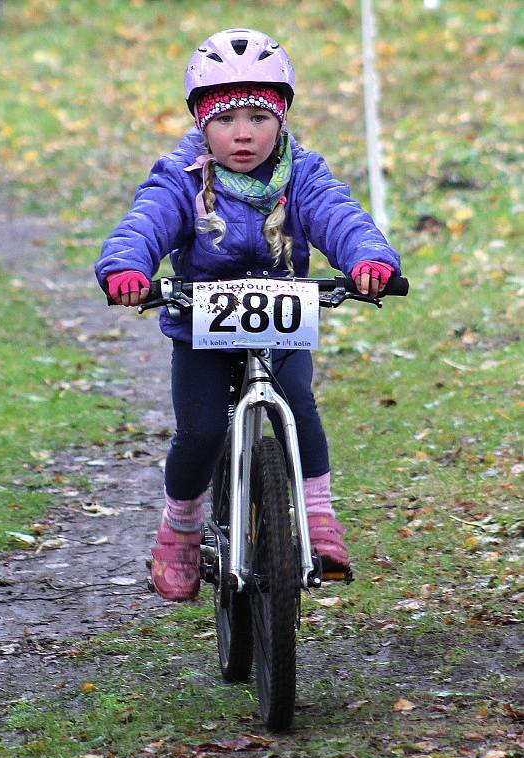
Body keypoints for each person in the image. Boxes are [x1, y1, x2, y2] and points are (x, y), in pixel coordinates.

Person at [95, 28, 401, 601]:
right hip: (199, 324)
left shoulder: (302, 174)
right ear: (200, 123)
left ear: (282, 119)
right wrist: (127, 270)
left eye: (259, 118)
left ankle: (317, 519)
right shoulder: (182, 175)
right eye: (225, 118)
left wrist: (368, 259)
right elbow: (146, 222)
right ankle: (182, 528)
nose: (243, 133)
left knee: (300, 403)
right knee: (202, 428)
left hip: (282, 317)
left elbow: (341, 216)